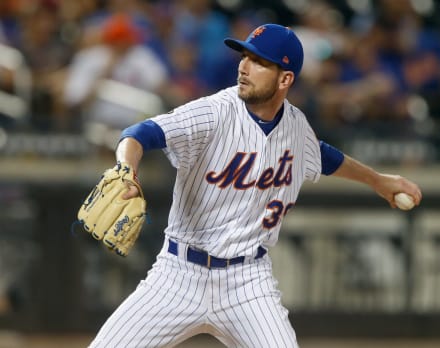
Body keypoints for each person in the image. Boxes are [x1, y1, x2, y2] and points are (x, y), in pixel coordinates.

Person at [88, 23, 422, 348]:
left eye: (260, 62)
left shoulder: (295, 127)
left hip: (247, 282)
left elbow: (324, 155)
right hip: (178, 275)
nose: (245, 67)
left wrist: (378, 180)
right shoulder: (214, 112)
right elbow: (138, 133)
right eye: (244, 56)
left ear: (285, 78)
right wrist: (126, 169)